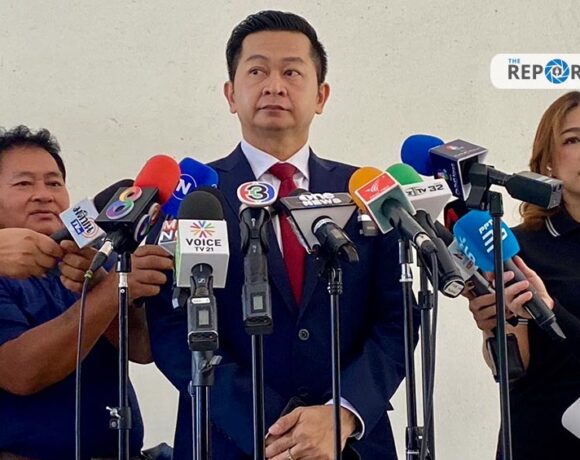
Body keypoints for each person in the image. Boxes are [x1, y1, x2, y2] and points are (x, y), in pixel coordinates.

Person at [148, 11, 414, 460]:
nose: (274, 85)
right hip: (227, 442)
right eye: (257, 71)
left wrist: (342, 413)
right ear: (231, 95)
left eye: (292, 72)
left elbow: (398, 320)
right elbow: (173, 329)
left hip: (348, 444)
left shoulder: (366, 192)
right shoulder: (194, 198)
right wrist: (272, 430)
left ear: (321, 95)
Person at [0, 125, 174, 459]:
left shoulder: (94, 256)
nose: (44, 195)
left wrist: (100, 284)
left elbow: (142, 350)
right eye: (24, 184)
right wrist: (111, 290)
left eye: (54, 183)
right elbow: (20, 372)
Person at [468, 91, 580, 459]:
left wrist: (550, 307)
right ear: (548, 162)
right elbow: (512, 370)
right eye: (573, 140)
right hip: (540, 437)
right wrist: (497, 326)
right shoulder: (514, 247)